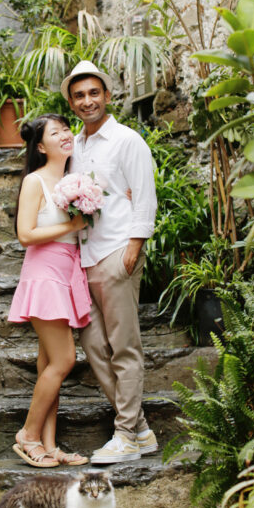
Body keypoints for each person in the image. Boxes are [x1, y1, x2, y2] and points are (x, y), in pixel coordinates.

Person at [60, 60, 158, 464]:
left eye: (94, 93)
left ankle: (125, 437)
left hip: (118, 251)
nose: (88, 101)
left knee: (124, 347)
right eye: (79, 95)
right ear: (72, 102)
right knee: (94, 346)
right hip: (85, 256)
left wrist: (134, 248)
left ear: (107, 96)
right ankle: (141, 429)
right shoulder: (76, 145)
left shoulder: (127, 140)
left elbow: (145, 194)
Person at [8, 113, 92, 468]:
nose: (65, 135)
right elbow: (25, 235)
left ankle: (49, 444)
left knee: (48, 365)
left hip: (68, 272)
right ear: (41, 146)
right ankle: (27, 436)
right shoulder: (35, 181)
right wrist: (70, 225)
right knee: (64, 360)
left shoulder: (75, 179)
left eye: (66, 129)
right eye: (55, 133)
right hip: (44, 275)